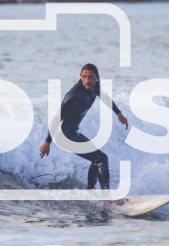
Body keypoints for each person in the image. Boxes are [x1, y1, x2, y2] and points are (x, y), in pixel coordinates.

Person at [39, 63, 128, 193]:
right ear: (80, 77)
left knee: (96, 160)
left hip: (72, 133)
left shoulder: (95, 87)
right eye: (84, 77)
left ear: (97, 77)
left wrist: (118, 113)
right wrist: (47, 141)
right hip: (64, 136)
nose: (87, 80)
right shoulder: (74, 95)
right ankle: (106, 198)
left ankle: (90, 194)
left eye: (91, 77)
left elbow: (105, 98)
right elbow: (57, 118)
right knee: (102, 159)